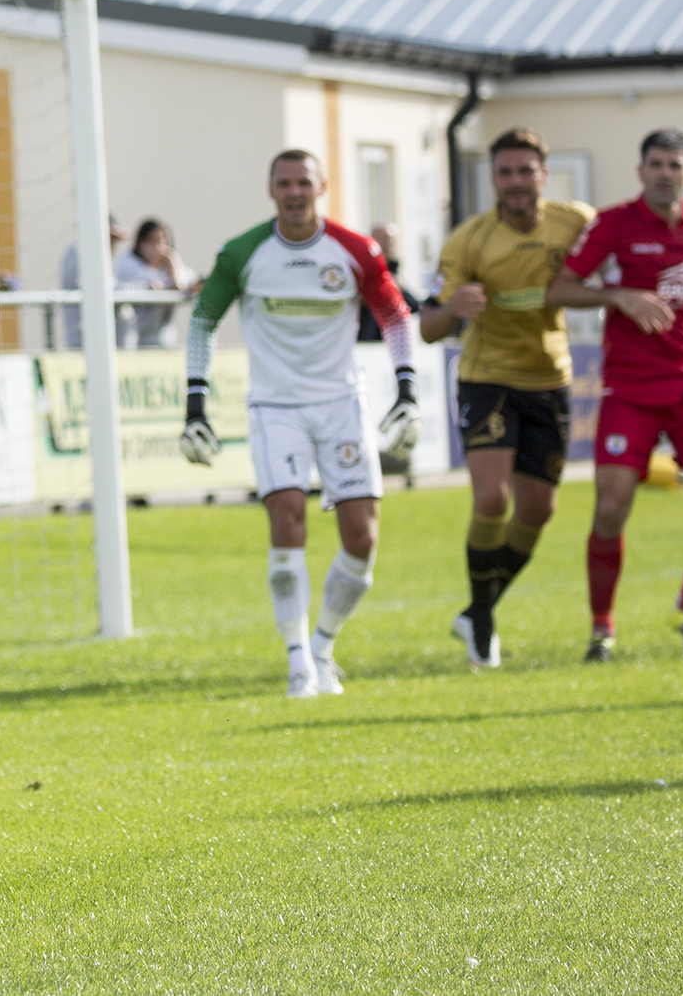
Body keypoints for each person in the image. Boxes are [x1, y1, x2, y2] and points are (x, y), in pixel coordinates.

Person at [177, 150, 421, 698]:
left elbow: (396, 317)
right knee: (288, 520)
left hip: (342, 404)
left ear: (322, 187)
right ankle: (296, 664)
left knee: (362, 537)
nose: (294, 193)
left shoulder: (356, 249)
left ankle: (323, 648)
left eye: (303, 183)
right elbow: (203, 321)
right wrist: (196, 402)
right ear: (270, 190)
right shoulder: (242, 252)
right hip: (274, 407)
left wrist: (407, 389)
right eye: (284, 183)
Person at [545, 129, 683, 662]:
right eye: (656, 164)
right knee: (612, 506)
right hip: (631, 388)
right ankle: (602, 629)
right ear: (641, 171)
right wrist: (617, 295)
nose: (665, 173)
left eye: (675, 164)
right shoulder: (614, 226)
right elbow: (561, 289)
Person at [419, 128, 593, 669]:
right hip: (487, 377)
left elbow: (624, 260)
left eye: (525, 171)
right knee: (492, 499)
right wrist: (452, 311)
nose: (515, 183)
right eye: (505, 173)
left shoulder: (579, 222)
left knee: (539, 510)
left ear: (544, 173)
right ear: (492, 178)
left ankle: (478, 610)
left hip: (550, 378)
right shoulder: (468, 241)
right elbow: (427, 327)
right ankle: (484, 625)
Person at [113, 217, 198, 348]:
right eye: (155, 241)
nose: (162, 248)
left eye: (166, 242)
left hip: (162, 341)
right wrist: (172, 265)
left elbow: (184, 284)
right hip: (130, 343)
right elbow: (156, 283)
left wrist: (172, 259)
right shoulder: (128, 262)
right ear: (141, 244)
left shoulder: (169, 267)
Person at [59, 216, 129, 348]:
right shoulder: (78, 254)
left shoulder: (92, 257)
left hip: (105, 344)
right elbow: (101, 287)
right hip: (84, 345)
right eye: (111, 238)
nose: (115, 245)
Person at [356, 223, 422, 343]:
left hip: (392, 340)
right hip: (364, 338)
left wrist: (398, 291)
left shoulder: (396, 273)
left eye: (389, 240)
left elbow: (414, 306)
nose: (385, 244)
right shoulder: (359, 270)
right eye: (381, 239)